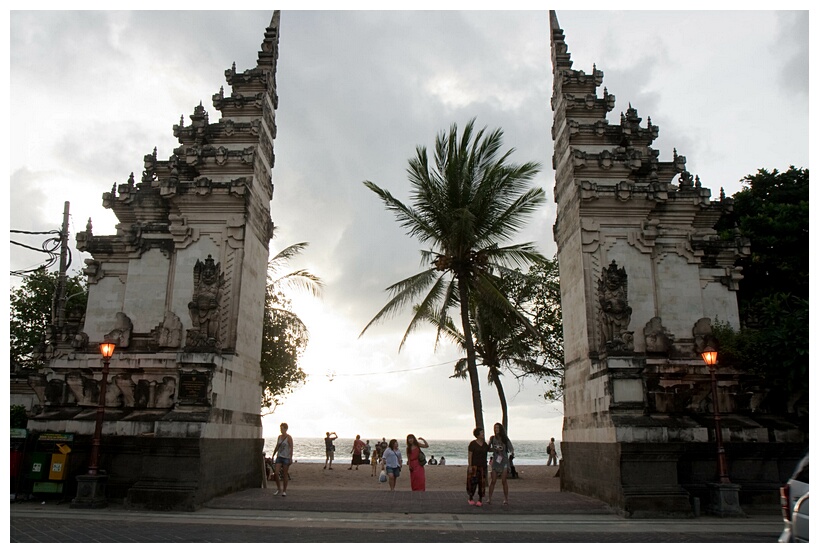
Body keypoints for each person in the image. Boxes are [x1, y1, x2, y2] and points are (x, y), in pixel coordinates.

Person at [487, 422, 513, 505]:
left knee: (503, 480)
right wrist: (494, 449)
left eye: (497, 428)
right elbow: (488, 448)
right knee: (493, 480)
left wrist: (511, 454)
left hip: (504, 461)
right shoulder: (492, 438)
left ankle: (506, 499)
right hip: (495, 461)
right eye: (495, 428)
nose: (496, 429)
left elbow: (511, 448)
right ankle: (489, 498)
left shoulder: (505, 438)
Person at [466, 427, 489, 506]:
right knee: (472, 483)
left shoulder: (485, 444)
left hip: (482, 466)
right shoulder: (473, 444)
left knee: (481, 483)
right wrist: (470, 466)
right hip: (474, 466)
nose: (483, 434)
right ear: (477, 434)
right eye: (481, 432)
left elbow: (489, 450)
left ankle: (480, 499)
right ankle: (471, 497)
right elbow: (470, 455)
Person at [271, 422, 293, 496]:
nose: (281, 430)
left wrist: (290, 457)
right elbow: (277, 446)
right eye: (280, 428)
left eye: (282, 428)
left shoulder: (289, 437)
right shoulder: (279, 437)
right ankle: (278, 488)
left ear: (286, 429)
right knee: (276, 473)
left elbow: (291, 448)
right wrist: (273, 455)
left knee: (284, 474)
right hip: (279, 456)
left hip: (286, 457)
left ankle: (284, 490)